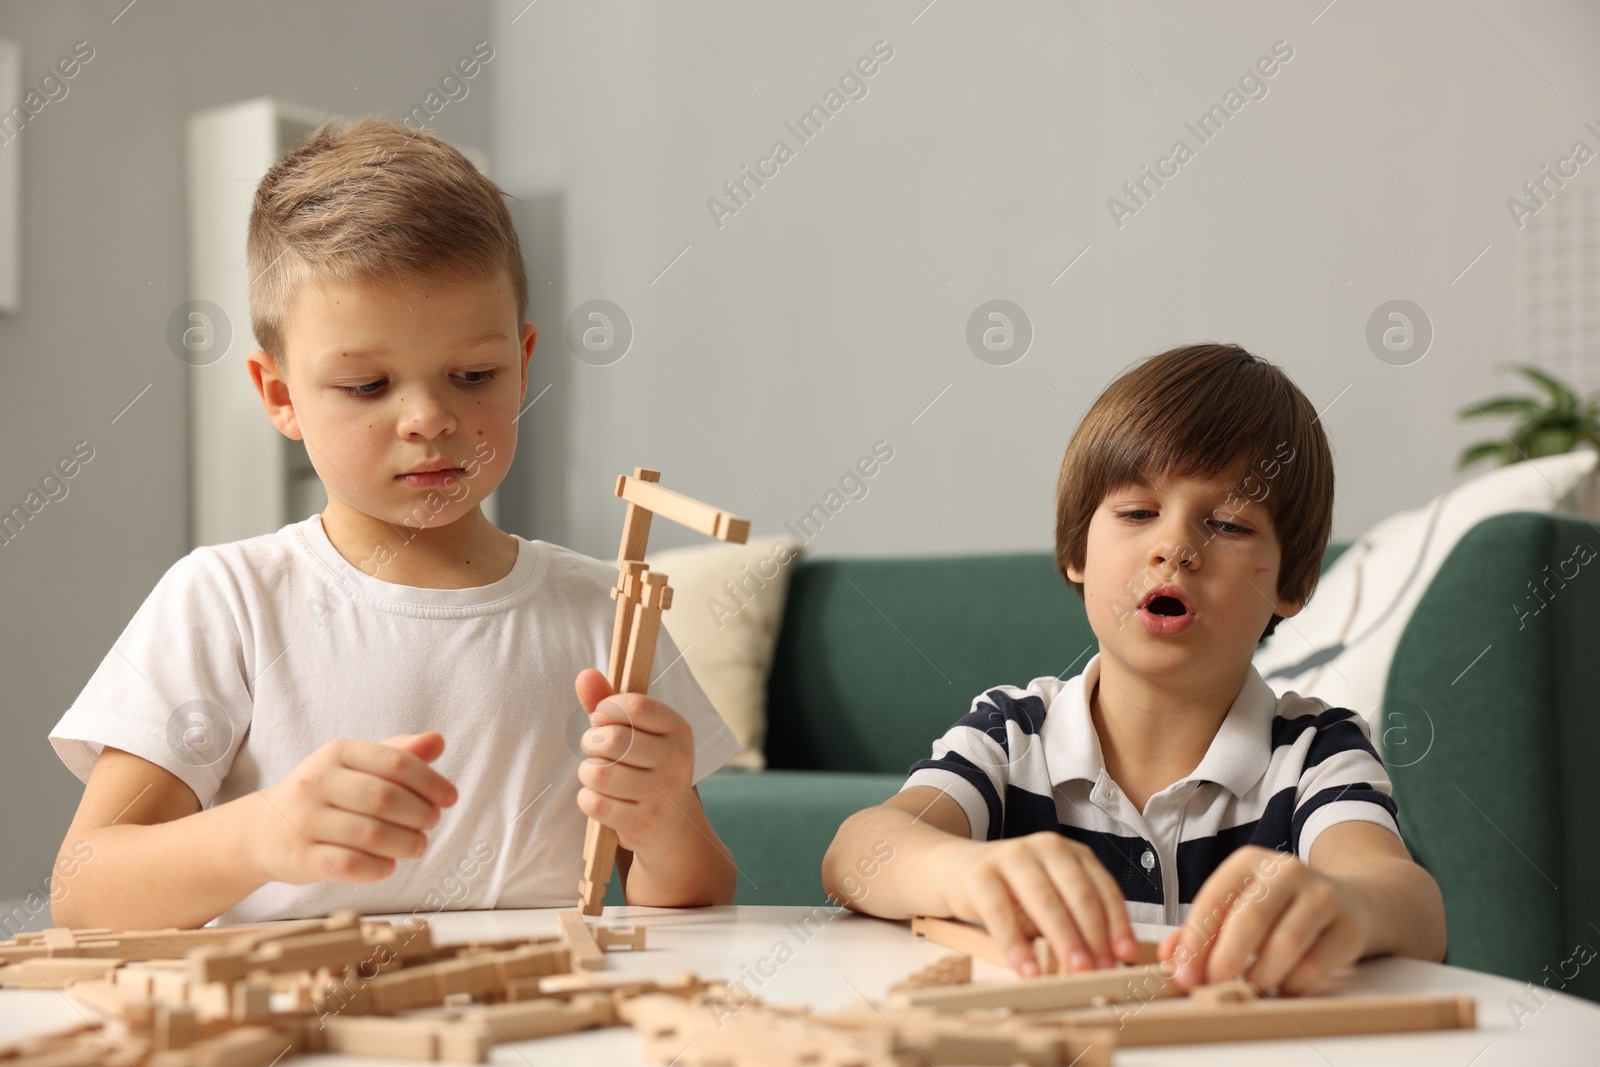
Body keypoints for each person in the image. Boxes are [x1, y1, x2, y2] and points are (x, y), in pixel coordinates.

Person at [47, 116, 742, 931]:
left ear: (522, 365)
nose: (429, 418)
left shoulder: (608, 610)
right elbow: (84, 889)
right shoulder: (226, 600)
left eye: (472, 374)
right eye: (368, 385)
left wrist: (666, 826)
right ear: (279, 397)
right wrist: (261, 833)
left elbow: (696, 895)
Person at [821, 343, 1447, 995]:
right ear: (1076, 552)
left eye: (1228, 523)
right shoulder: (1010, 734)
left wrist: (1349, 905)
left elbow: (1413, 907)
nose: (1174, 546)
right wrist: (963, 872)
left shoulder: (1316, 751)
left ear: (1291, 585)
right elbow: (854, 854)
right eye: (1137, 512)